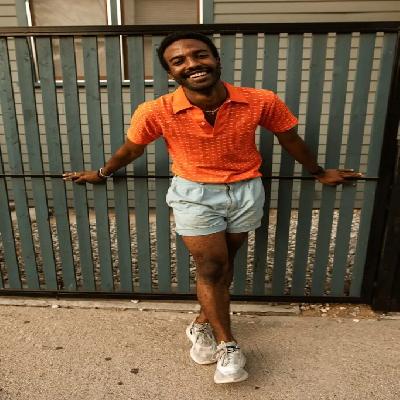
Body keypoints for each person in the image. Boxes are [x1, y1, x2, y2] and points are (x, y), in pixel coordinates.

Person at [63, 31, 361, 384]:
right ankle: (228, 346)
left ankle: (201, 324)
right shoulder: (156, 111)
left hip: (246, 190)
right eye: (179, 61)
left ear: (216, 59)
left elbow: (290, 138)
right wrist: (101, 173)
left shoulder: (260, 100)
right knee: (212, 266)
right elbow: (131, 149)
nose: (192, 64)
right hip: (194, 193)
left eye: (200, 55)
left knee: (225, 265)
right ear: (170, 72)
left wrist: (319, 172)